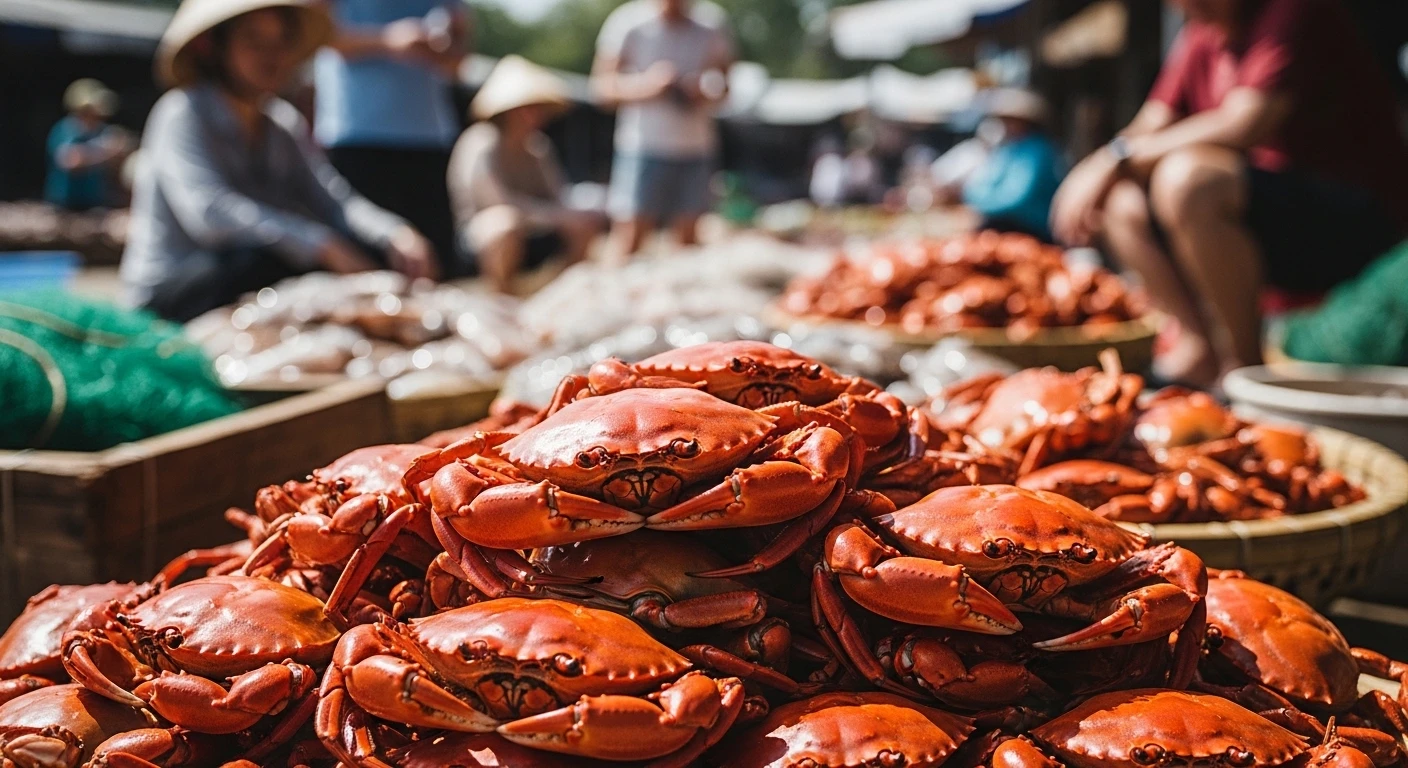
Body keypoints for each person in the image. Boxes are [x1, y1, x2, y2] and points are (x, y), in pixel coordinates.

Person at [1050, 0, 1408, 385]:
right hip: (1268, 222)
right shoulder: (1204, 32)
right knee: (1120, 198)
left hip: (1358, 224)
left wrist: (1118, 157)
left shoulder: (1294, 11)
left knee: (1190, 179)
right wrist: (1101, 165)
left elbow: (1244, 123)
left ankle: (1247, 370)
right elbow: (1151, 122)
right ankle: (1199, 351)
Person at [121, 0, 437, 322]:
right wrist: (320, 245)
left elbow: (333, 200)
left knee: (356, 252)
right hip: (175, 289)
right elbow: (210, 214)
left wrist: (395, 234)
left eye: (280, 41)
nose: (270, 55)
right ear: (213, 47)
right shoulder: (182, 114)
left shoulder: (282, 124)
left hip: (248, 272)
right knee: (270, 258)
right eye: (253, 41)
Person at [314, 0, 472, 270]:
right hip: (358, 138)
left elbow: (459, 62)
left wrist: (440, 48)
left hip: (430, 141)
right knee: (369, 266)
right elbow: (313, 34)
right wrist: (389, 41)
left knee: (437, 263)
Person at [448, 56, 605, 293]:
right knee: (504, 223)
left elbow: (558, 196)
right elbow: (499, 203)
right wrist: (554, 216)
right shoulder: (481, 142)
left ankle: (559, 295)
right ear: (510, 109)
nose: (536, 115)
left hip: (534, 227)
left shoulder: (538, 147)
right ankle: (501, 298)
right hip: (484, 235)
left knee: (584, 221)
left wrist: (570, 216)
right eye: (528, 108)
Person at [592, 0, 734, 258]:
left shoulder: (712, 23)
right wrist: (648, 86)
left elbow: (726, 85)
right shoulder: (627, 22)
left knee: (687, 245)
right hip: (643, 146)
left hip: (696, 147)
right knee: (630, 240)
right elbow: (601, 88)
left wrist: (703, 91)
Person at [961, 88, 1065, 241]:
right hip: (1004, 225)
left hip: (1030, 231)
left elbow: (1017, 199)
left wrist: (979, 205)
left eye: (1012, 120)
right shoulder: (1008, 148)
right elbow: (978, 185)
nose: (1007, 124)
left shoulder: (1037, 151)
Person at [45, 79, 132, 211]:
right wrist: (104, 151)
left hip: (96, 205)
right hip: (64, 207)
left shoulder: (104, 131)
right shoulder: (66, 129)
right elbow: (70, 160)